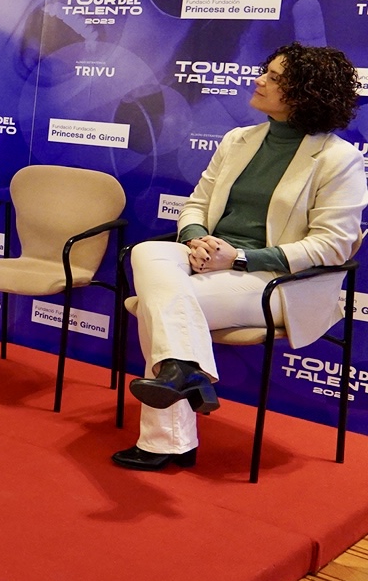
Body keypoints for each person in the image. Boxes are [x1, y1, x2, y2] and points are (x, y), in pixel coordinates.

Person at [115, 43, 366, 471]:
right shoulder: (238, 140)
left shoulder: (338, 159)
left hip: (277, 280)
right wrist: (196, 238)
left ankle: (168, 435)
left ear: (305, 94)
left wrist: (239, 258)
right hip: (210, 260)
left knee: (166, 305)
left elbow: (332, 245)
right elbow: (197, 203)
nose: (258, 80)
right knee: (148, 251)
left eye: (274, 77)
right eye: (265, 71)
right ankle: (183, 372)